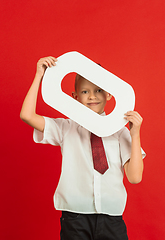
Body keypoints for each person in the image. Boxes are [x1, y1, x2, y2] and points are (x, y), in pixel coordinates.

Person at [20, 56, 146, 240]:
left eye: (99, 90)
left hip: (111, 217)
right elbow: (27, 115)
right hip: (75, 217)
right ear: (75, 97)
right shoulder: (66, 128)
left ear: (109, 94)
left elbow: (134, 177)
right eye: (85, 91)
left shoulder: (120, 132)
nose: (93, 96)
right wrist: (39, 75)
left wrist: (135, 135)